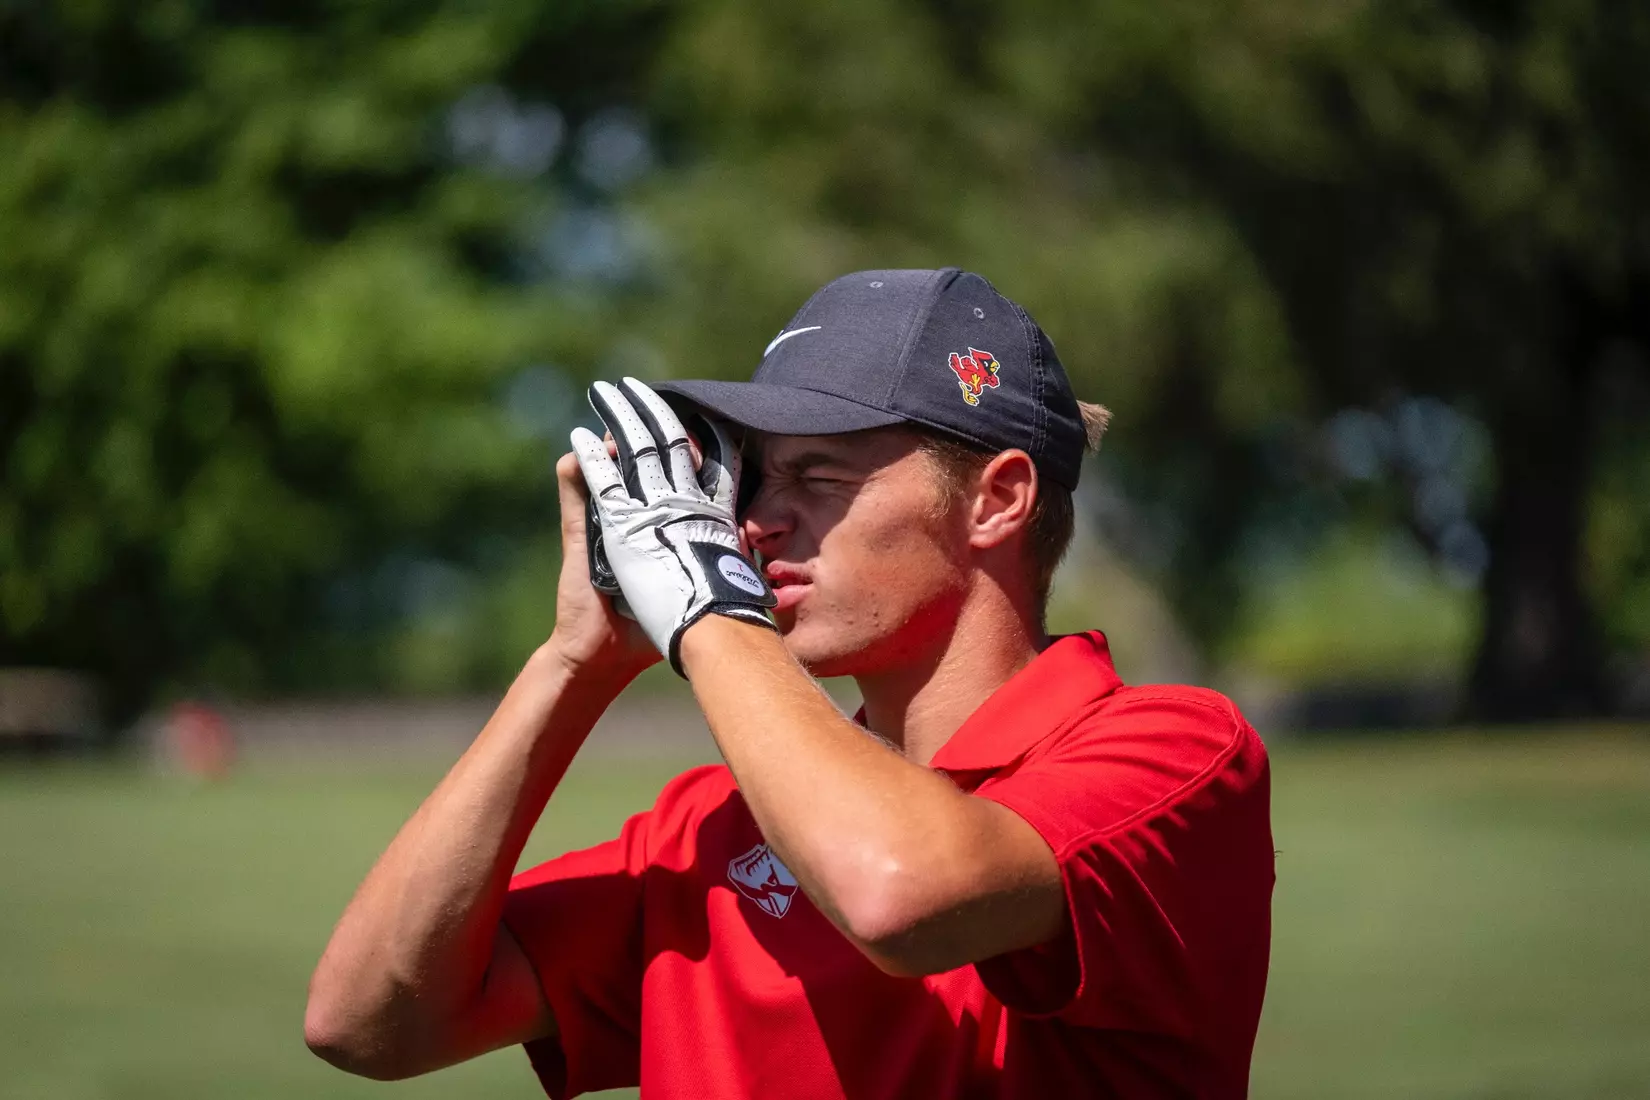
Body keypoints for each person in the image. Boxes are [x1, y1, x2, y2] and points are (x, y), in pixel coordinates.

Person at [305, 268, 1275, 1098]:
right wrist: (575, 659)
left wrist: (709, 610)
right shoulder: (713, 827)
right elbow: (370, 1021)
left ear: (999, 499)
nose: (755, 524)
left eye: (819, 475)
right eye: (757, 481)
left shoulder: (1175, 753)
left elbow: (897, 890)